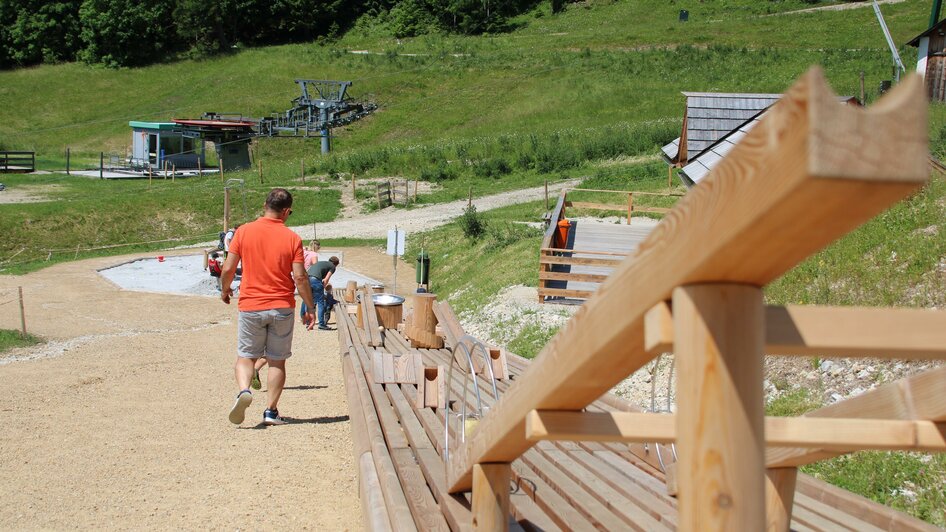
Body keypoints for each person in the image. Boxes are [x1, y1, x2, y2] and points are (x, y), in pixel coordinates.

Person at [220, 188, 315, 426]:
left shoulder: (243, 232)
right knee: (277, 361)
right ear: (286, 211)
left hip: (251, 304)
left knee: (246, 357)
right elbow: (300, 277)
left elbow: (228, 268)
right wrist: (310, 307)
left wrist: (225, 289)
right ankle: (271, 412)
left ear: (265, 204)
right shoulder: (292, 238)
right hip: (282, 306)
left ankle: (244, 391)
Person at [304, 256, 339, 330]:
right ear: (336, 264)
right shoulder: (332, 267)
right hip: (315, 280)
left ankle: (308, 322)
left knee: (310, 302)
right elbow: (326, 279)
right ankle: (321, 324)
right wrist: (322, 289)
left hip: (306, 279)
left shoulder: (321, 263)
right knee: (320, 303)